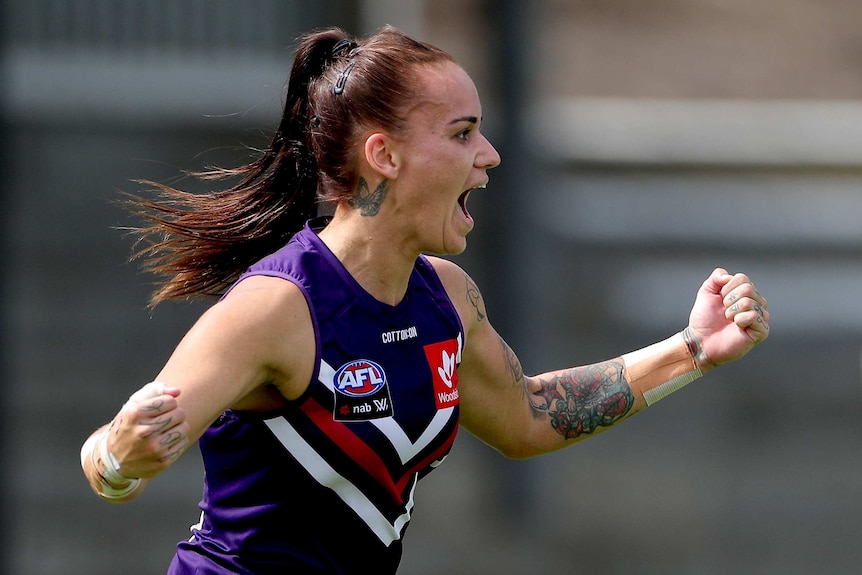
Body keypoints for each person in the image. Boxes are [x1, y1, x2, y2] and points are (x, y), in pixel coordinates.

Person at [80, 25, 770, 574]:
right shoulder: (277, 306)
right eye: (463, 132)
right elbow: (109, 457)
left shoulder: (445, 297)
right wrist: (120, 458)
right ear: (384, 155)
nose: (491, 154)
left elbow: (526, 416)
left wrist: (692, 350)